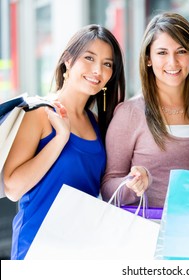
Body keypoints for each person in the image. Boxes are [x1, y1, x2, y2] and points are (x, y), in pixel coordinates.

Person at [3, 24, 126, 259]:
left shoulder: (98, 123)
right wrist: (60, 138)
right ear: (68, 61)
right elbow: (13, 189)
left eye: (107, 64)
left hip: (80, 251)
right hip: (36, 250)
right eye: (89, 58)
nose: (98, 70)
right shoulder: (38, 113)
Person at [101, 12, 189, 208]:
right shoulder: (129, 114)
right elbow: (107, 189)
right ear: (148, 58)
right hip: (147, 231)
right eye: (162, 53)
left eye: (181, 51)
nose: (172, 62)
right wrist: (133, 184)